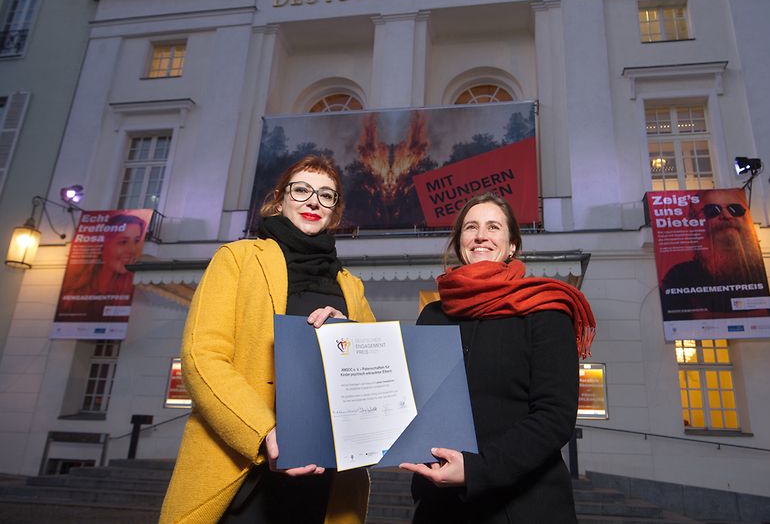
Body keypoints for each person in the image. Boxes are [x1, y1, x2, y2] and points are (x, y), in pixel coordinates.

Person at [160, 155, 375, 524]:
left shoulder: (350, 287)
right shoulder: (237, 259)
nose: (313, 202)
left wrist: (350, 333)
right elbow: (203, 357)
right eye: (302, 190)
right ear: (279, 200)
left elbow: (374, 371)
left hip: (327, 482)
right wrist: (266, 434)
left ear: (334, 213)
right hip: (243, 475)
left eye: (327, 196)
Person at [400, 192, 596, 524]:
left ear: (512, 245)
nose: (481, 236)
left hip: (523, 507)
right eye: (471, 227)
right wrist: (340, 333)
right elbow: (412, 402)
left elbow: (554, 417)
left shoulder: (546, 311)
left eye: (493, 227)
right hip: (440, 507)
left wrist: (476, 469)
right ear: (459, 241)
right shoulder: (433, 315)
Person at [659, 189, 770, 319]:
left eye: (735, 209)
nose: (727, 215)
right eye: (712, 210)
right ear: (695, 224)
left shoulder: (761, 271)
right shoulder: (679, 275)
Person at [56, 213, 147, 321]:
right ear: (103, 244)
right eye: (123, 242)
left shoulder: (136, 292)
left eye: (136, 241)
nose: (132, 250)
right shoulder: (73, 291)